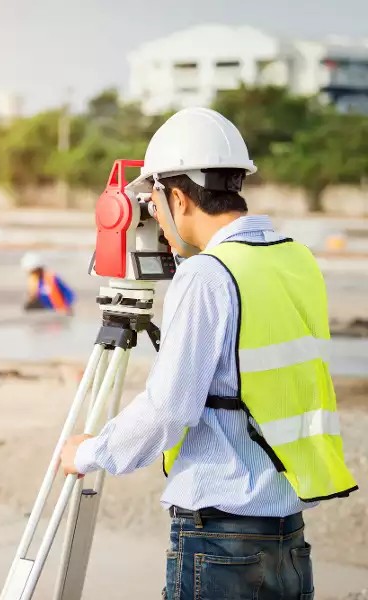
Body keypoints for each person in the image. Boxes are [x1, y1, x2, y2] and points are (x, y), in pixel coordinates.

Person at [58, 107, 357, 600]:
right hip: (287, 533)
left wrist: (88, 452)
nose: (154, 216)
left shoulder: (208, 276)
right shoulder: (294, 256)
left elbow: (168, 410)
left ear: (177, 196)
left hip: (221, 540)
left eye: (155, 203)